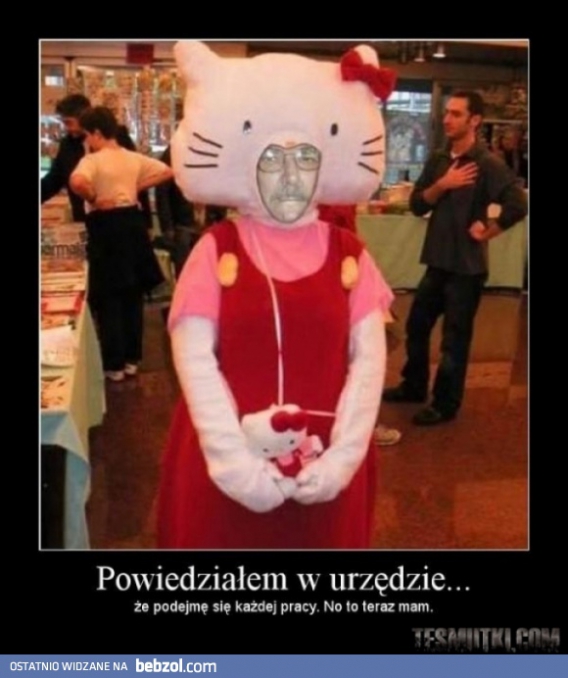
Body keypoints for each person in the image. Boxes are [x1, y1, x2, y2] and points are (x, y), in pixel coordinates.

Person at [157, 40, 397, 549]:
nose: (290, 179)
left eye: (305, 158)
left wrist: (342, 459)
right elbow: (195, 361)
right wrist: (232, 463)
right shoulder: (214, 250)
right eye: (272, 160)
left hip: (326, 459)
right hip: (224, 454)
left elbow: (369, 364)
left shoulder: (350, 256)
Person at [383, 90, 528, 426]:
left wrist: (489, 231)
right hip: (437, 261)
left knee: (454, 339)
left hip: (466, 268)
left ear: (475, 120)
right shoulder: (438, 160)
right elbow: (418, 204)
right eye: (447, 112)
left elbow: (518, 204)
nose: (447, 119)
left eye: (456, 114)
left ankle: (445, 403)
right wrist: (444, 184)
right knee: (417, 325)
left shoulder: (487, 163)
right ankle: (413, 385)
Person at [69, 106, 173, 382]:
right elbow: (167, 171)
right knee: (132, 294)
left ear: (96, 133)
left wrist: (94, 197)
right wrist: (136, 187)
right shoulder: (132, 157)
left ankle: (113, 365)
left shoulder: (92, 160)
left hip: (106, 227)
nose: (86, 141)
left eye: (87, 135)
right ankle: (132, 360)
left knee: (108, 297)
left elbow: (76, 182)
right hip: (133, 225)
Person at [318, 203, 402, 447]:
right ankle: (357, 424)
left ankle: (352, 422)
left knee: (359, 350)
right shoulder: (329, 200)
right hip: (337, 277)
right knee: (357, 353)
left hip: (344, 273)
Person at [41, 93, 153, 227]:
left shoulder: (117, 138)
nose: (67, 128)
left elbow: (136, 176)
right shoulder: (67, 145)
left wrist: (146, 222)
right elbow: (54, 179)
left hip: (120, 219)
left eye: (69, 123)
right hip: (85, 220)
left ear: (84, 117)